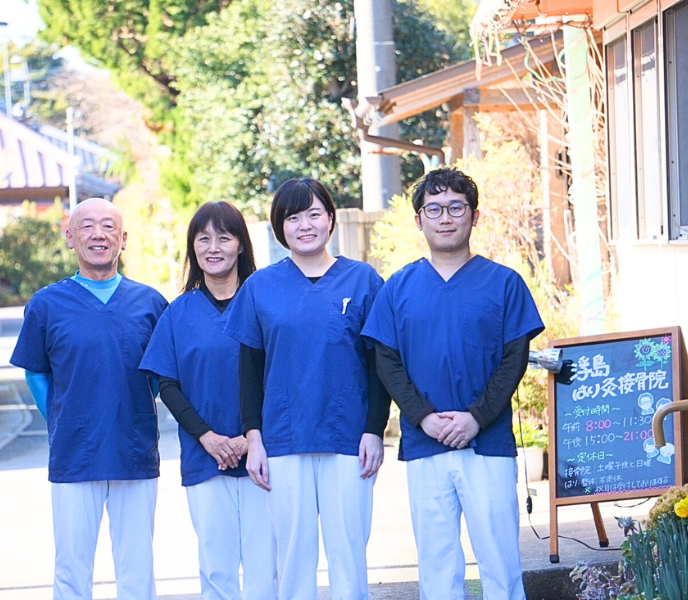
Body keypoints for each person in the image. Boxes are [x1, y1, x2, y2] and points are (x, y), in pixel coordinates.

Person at [361, 167, 544, 600]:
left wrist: (477, 417)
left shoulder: (504, 283)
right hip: (426, 444)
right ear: (419, 220)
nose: (445, 218)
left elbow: (513, 359)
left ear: (474, 216)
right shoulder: (398, 288)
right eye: (434, 209)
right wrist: (423, 417)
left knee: (500, 560)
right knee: (438, 565)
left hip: (488, 443)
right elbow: (386, 361)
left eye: (456, 207)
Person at [223, 178, 391, 600]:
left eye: (314, 214)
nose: (305, 225)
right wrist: (254, 438)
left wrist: (375, 427)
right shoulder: (261, 287)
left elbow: (380, 364)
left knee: (349, 551)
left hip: (348, 436)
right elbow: (249, 369)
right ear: (280, 228)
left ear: (331, 219)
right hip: (283, 437)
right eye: (292, 217)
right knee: (293, 555)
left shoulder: (363, 280)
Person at [10, 197, 168, 600]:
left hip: (133, 450)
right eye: (87, 227)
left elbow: (159, 376)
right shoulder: (46, 305)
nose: (98, 235)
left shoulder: (151, 304)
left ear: (124, 239)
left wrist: (125, 411)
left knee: (137, 568)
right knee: (71, 569)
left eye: (108, 227)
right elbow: (36, 372)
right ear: (69, 238)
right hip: (73, 453)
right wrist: (68, 421)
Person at [139, 201, 277, 600]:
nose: (213, 247)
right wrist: (209, 438)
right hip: (205, 457)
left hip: (263, 454)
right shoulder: (178, 312)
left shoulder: (264, 303)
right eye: (203, 239)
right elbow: (167, 385)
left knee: (264, 567)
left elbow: (280, 377)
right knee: (216, 569)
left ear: (240, 246)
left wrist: (252, 438)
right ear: (193, 248)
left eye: (224, 237)